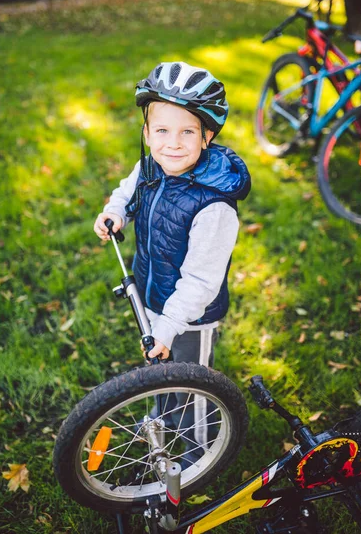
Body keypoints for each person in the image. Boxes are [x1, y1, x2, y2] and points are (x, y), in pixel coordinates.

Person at [94, 61, 251, 466]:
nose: (173, 143)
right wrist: (116, 212)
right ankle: (161, 411)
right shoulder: (150, 164)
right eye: (162, 130)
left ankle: (200, 450)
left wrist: (167, 327)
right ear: (146, 134)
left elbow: (200, 281)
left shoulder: (214, 208)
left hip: (190, 315)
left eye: (187, 132)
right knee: (163, 369)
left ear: (207, 136)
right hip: (153, 290)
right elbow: (128, 191)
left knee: (192, 382)